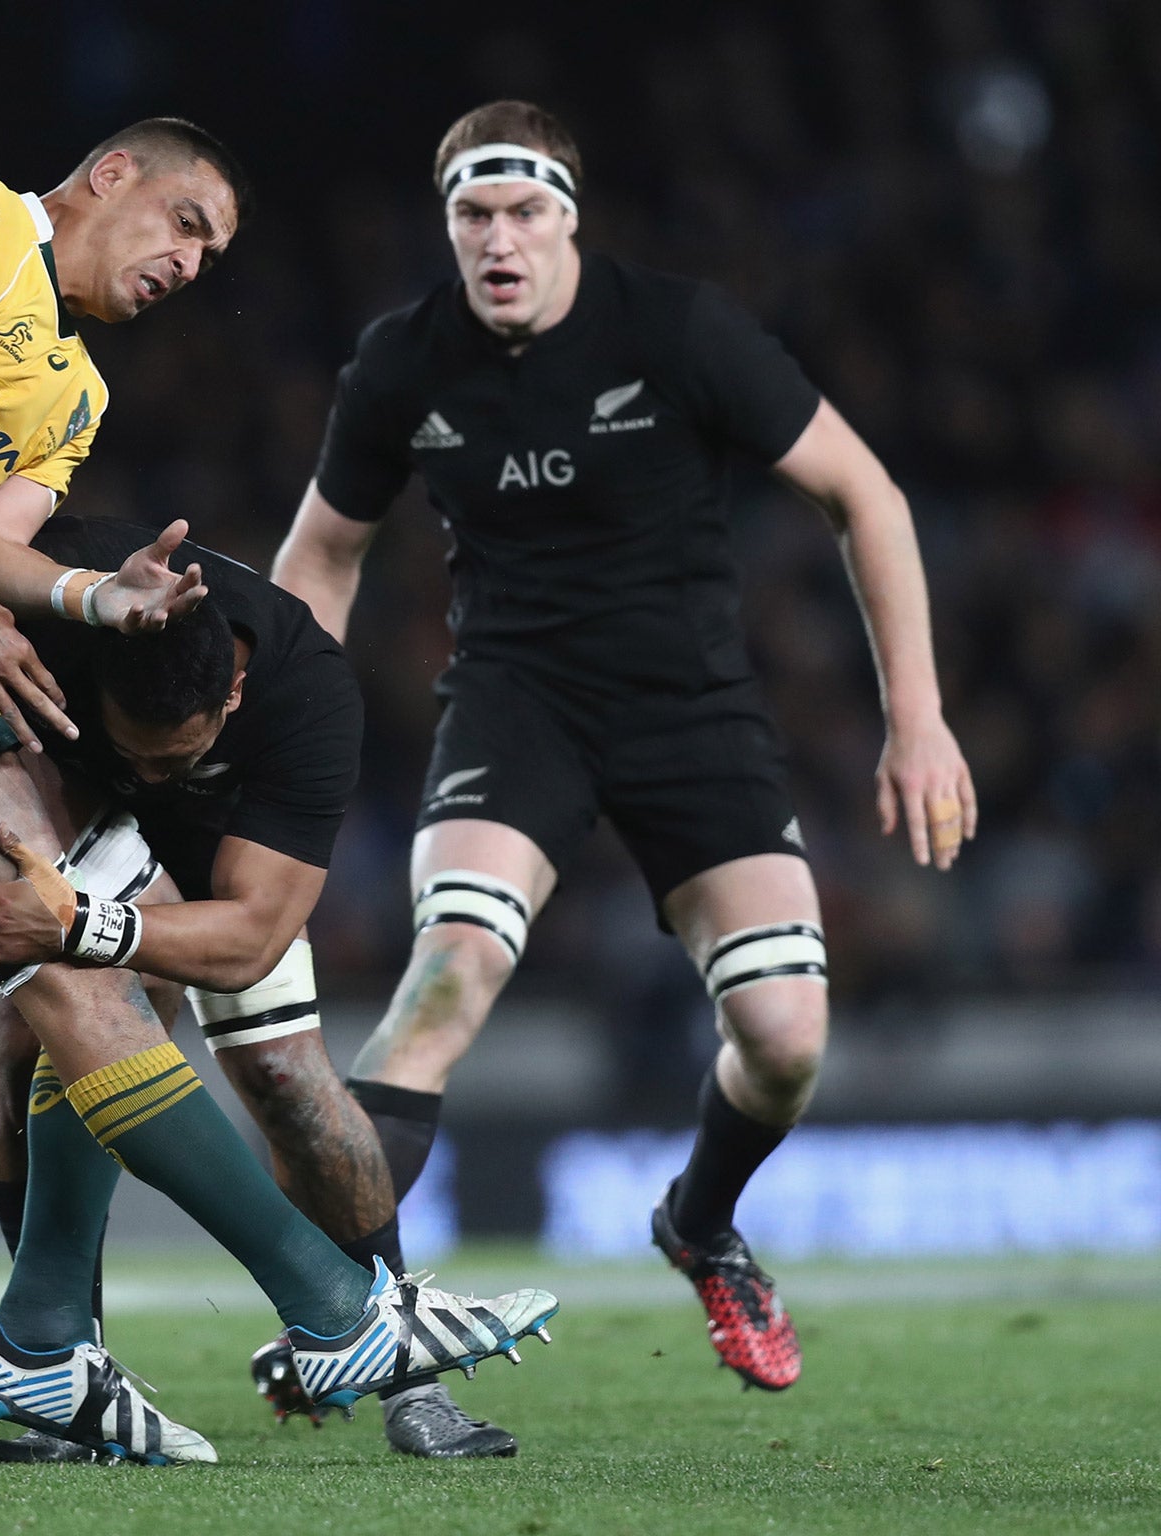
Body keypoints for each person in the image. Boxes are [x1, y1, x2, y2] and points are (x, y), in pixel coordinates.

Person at [0, 118, 557, 1465]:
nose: (189, 263)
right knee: (80, 982)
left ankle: (47, 1344)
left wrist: (101, 595)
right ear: (110, 175)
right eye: (184, 223)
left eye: (209, 252)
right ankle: (336, 1307)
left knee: (123, 945)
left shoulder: (72, 389)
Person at [270, 100, 975, 1408]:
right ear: (449, 226)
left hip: (687, 710)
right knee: (448, 977)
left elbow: (862, 493)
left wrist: (918, 718)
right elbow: (323, 550)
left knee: (785, 1038)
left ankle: (699, 1223)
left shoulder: (681, 333)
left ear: (568, 219)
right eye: (473, 216)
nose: (499, 240)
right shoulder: (402, 363)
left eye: (525, 212)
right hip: (513, 704)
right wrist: (275, 729)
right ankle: (350, 1314)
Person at [0, 513, 521, 1459]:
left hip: (218, 886)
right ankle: (60, 1376)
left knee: (291, 1082)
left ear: (236, 693)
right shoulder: (60, 599)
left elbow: (252, 938)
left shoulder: (308, 696)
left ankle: (404, 1376)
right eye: (130, 750)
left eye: (174, 760)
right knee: (16, 1062)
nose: (147, 773)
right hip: (69, 833)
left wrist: (90, 927)